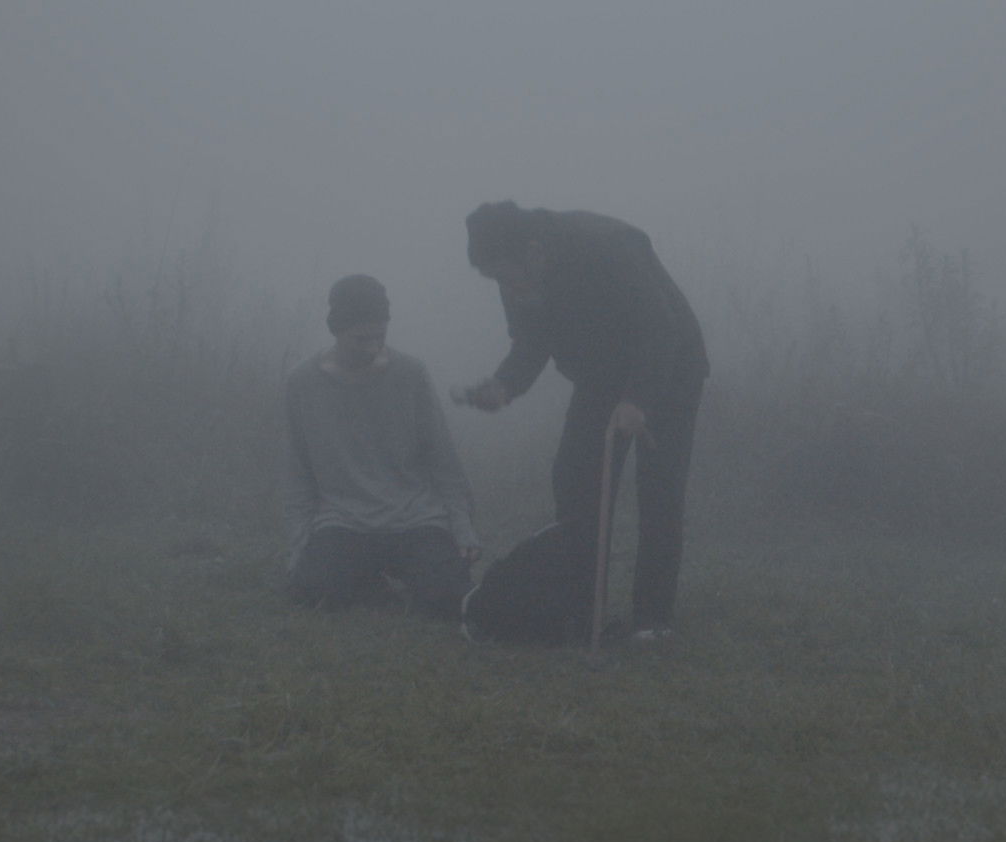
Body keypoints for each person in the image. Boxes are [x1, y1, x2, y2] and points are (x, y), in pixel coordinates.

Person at [455, 201, 709, 640]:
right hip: (600, 375)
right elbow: (531, 340)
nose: (504, 287)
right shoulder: (514, 272)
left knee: (659, 489)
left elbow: (659, 328)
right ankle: (582, 607)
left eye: (505, 275)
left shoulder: (608, 246)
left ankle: (652, 620)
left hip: (670, 368)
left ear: (534, 250)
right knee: (575, 478)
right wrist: (504, 385)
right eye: (494, 279)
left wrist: (638, 400)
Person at [281, 273, 480, 618]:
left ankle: (404, 579)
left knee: (448, 597)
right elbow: (297, 472)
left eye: (380, 337)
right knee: (313, 589)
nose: (372, 348)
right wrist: (300, 544)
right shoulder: (302, 383)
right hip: (342, 521)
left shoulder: (411, 374)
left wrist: (462, 527)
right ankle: (370, 579)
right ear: (336, 330)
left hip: (417, 518)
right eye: (361, 339)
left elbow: (442, 458)